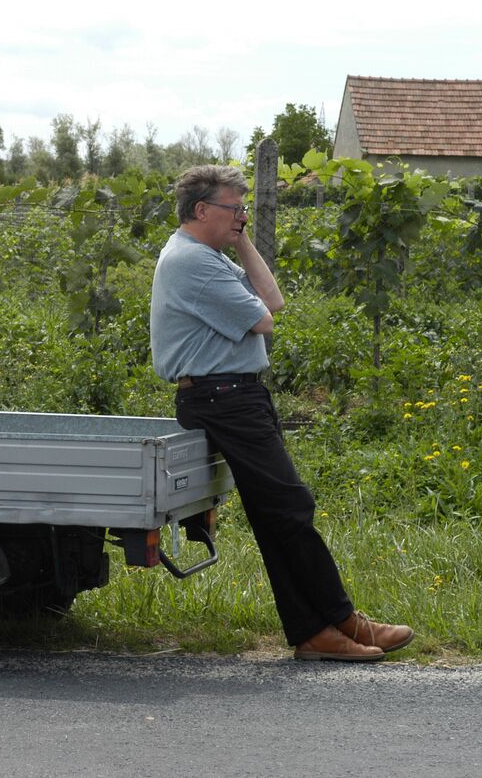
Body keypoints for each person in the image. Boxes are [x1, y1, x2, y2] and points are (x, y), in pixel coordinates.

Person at [149, 164, 413, 662]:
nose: (241, 217)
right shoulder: (192, 261)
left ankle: (320, 631)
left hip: (234, 395)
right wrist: (237, 248)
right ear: (201, 210)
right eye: (234, 208)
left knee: (278, 516)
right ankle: (341, 620)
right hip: (223, 398)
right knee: (291, 508)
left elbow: (274, 300)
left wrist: (242, 240)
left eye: (245, 210)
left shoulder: (209, 254)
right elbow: (264, 322)